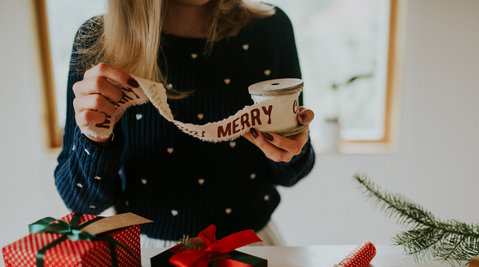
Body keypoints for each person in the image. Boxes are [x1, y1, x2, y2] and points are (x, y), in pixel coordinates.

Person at [54, 0, 315, 246]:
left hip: (254, 252)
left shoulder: (270, 28)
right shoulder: (98, 41)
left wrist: (291, 149)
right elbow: (82, 204)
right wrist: (95, 138)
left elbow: (291, 174)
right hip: (148, 265)